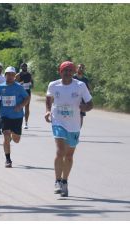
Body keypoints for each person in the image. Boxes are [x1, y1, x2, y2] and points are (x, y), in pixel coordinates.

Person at [45, 61, 93, 197]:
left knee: (69, 155)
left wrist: (85, 108)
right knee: (60, 151)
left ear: (73, 72)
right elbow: (48, 98)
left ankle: (65, 181)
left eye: (70, 70)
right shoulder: (53, 85)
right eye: (64, 70)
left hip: (74, 124)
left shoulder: (80, 85)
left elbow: (90, 103)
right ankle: (57, 180)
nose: (67, 73)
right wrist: (48, 111)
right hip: (58, 121)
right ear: (60, 72)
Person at [0, 66, 30, 168]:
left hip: (17, 116)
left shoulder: (19, 87)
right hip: (5, 115)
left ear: (15, 76)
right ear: (5, 75)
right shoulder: (1, 87)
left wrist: (20, 106)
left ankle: (12, 134)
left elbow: (27, 98)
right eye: (8, 74)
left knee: (16, 140)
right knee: (6, 135)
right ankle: (8, 159)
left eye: (12, 75)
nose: (10, 76)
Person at [15, 63, 34, 129]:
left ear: (27, 67)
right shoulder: (18, 75)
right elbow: (14, 84)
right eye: (23, 66)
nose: (24, 67)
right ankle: (18, 122)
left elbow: (32, 84)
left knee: (27, 107)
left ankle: (26, 123)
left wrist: (31, 85)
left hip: (27, 91)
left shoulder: (29, 74)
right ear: (21, 67)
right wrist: (20, 83)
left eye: (25, 66)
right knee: (20, 106)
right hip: (20, 92)